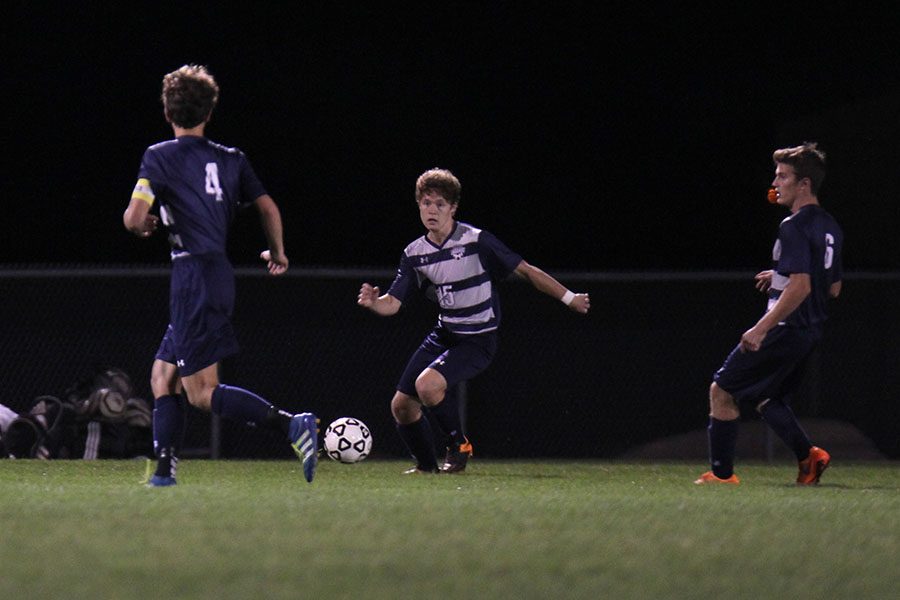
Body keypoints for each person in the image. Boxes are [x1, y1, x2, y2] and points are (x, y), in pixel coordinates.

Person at [123, 64, 317, 486]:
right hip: (213, 273)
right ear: (209, 111)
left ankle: (291, 425)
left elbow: (135, 216)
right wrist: (278, 253)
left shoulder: (159, 155)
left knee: (200, 392)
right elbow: (268, 207)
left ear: (167, 111)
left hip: (193, 275)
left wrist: (141, 223)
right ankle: (163, 471)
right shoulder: (231, 159)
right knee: (163, 376)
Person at [357, 168, 590, 474]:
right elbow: (393, 303)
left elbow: (527, 271)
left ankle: (459, 446)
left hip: (478, 339)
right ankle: (427, 467)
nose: (431, 210)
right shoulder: (415, 254)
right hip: (445, 334)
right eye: (426, 203)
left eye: (440, 204)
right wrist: (375, 303)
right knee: (401, 407)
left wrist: (569, 298)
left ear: (453, 208)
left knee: (427, 386)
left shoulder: (477, 241)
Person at [695, 142, 843, 486]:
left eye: (783, 176)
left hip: (786, 327)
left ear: (803, 184)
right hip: (810, 331)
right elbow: (832, 288)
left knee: (722, 390)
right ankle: (810, 457)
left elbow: (802, 287)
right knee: (766, 398)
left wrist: (761, 328)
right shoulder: (830, 225)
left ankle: (721, 476)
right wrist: (779, 275)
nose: (775, 183)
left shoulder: (792, 225)